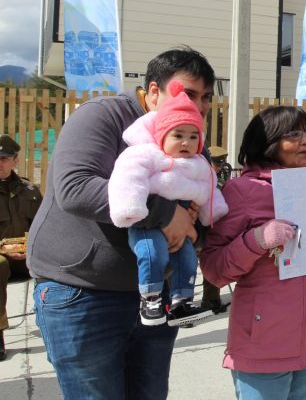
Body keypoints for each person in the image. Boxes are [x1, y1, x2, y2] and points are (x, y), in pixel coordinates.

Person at [28, 47, 216, 399]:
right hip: (81, 292)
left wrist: (195, 227)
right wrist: (165, 213)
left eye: (206, 97)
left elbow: (202, 200)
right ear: (153, 91)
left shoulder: (189, 137)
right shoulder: (102, 116)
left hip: (154, 299)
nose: (200, 105)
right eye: (189, 93)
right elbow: (75, 187)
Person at [201, 106, 306, 399]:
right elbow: (214, 269)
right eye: (293, 134)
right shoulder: (242, 190)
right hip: (264, 346)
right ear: (267, 141)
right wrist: (257, 240)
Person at [107, 79, 228, 326]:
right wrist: (131, 207)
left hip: (183, 228)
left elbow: (209, 188)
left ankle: (181, 301)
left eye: (193, 136)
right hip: (147, 223)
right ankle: (150, 298)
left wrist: (212, 214)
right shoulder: (145, 153)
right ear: (162, 136)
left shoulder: (200, 163)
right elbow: (127, 176)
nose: (186, 142)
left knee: (187, 259)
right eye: (178, 135)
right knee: (152, 253)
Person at [0, 134, 42, 361]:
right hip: (2, 260)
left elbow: (45, 226)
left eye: (5, 158)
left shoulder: (30, 191)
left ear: (15, 160)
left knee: (57, 259)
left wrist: (35, 248)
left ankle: (50, 320)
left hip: (29, 257)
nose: (0, 163)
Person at [201, 145, 232, 314]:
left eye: (222, 163)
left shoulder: (223, 172)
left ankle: (211, 300)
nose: (220, 167)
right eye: (216, 163)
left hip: (213, 224)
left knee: (212, 262)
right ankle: (181, 305)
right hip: (195, 225)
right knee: (184, 267)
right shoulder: (199, 173)